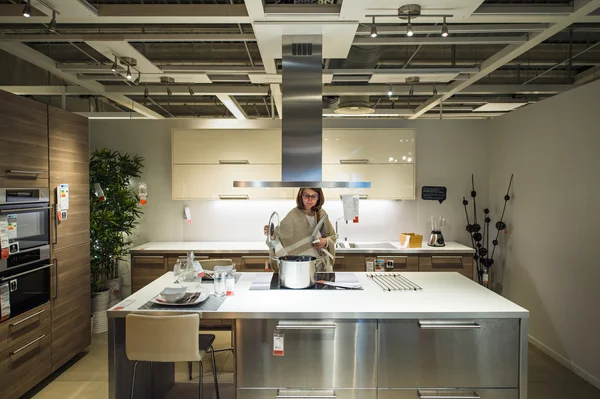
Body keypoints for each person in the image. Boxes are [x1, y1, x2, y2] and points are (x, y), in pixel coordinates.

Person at [265, 188, 337, 272]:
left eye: (314, 196)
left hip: (321, 266)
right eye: (306, 195)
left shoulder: (321, 213)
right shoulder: (293, 215)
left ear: (319, 197)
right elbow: (276, 238)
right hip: (301, 268)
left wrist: (325, 241)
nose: (310, 199)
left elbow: (332, 237)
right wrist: (271, 233)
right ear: (301, 196)